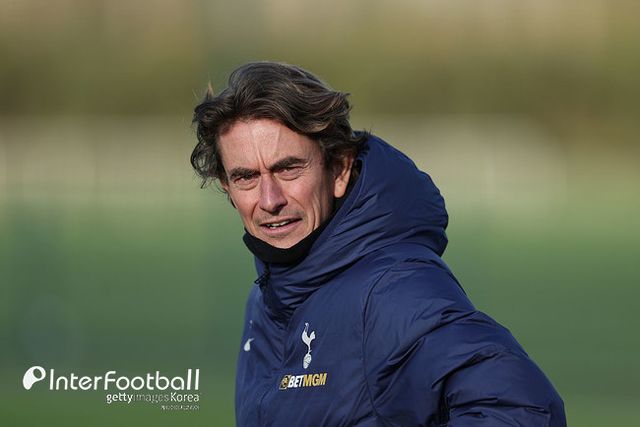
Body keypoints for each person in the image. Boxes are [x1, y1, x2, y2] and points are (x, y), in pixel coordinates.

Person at [191, 61, 566, 426]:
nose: (269, 199)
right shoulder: (266, 300)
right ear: (227, 187)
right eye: (246, 177)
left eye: (288, 168)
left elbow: (524, 410)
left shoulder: (392, 289)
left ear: (339, 169)